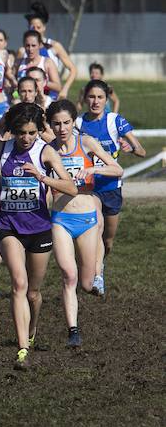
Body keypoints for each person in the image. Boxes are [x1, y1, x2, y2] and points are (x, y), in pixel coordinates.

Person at [0, 103, 77, 370]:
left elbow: (71, 188)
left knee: (34, 292)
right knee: (18, 284)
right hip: (10, 227)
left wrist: (42, 177)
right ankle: (22, 350)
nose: (26, 138)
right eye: (21, 133)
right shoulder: (1, 148)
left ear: (38, 131)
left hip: (39, 227)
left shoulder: (45, 152)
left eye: (31, 133)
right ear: (14, 132)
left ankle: (32, 327)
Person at [47, 100, 122, 347]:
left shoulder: (86, 143)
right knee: (69, 275)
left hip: (87, 218)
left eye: (66, 123)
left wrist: (92, 171)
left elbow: (117, 169)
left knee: (86, 282)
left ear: (73, 122)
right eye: (56, 124)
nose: (61, 128)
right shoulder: (47, 151)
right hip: (61, 219)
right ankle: (73, 331)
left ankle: (95, 276)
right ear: (51, 125)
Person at [75, 80, 146, 293]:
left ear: (107, 100)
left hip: (112, 187)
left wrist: (129, 147)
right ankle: (96, 275)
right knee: (96, 228)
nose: (95, 102)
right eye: (91, 97)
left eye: (100, 97)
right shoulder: (77, 123)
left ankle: (100, 263)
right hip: (89, 186)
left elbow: (141, 150)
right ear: (85, 98)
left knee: (108, 241)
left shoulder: (115, 121)